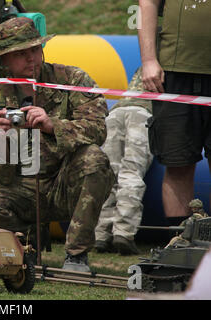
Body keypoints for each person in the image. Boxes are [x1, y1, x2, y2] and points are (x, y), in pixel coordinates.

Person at [0, 17, 114, 272]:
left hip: (65, 182)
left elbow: (98, 129)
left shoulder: (71, 80)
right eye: (21, 54)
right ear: (5, 60)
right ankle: (23, 243)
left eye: (34, 49)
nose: (31, 58)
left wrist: (53, 125)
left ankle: (76, 256)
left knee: (94, 158)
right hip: (20, 190)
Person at [138, 0, 211, 222]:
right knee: (177, 162)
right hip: (173, 72)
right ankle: (180, 244)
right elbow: (147, 3)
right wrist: (149, 59)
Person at [94, 67, 153, 255]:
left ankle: (101, 234)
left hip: (117, 112)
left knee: (109, 174)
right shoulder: (173, 62)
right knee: (132, 172)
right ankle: (124, 233)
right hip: (143, 113)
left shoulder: (146, 63)